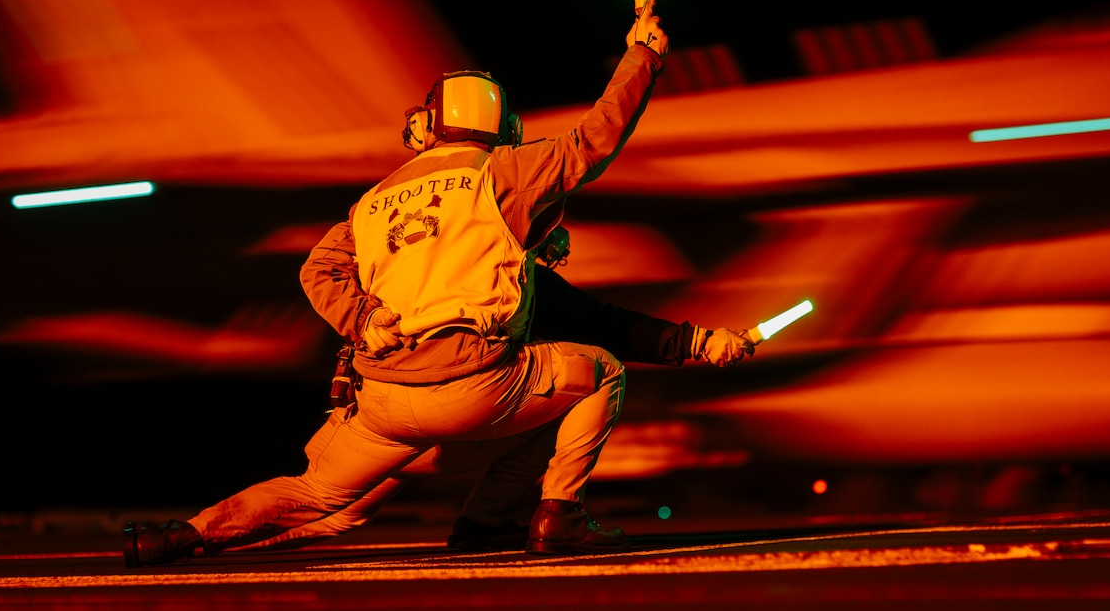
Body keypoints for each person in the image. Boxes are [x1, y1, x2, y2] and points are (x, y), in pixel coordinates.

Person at [122, 0, 670, 567]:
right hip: (473, 383)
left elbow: (318, 268)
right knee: (600, 371)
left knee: (316, 493)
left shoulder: (375, 199)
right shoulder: (506, 172)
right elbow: (595, 138)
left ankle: (177, 535)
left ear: (427, 125)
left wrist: (361, 319)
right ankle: (559, 516)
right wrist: (642, 56)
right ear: (503, 126)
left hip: (382, 397)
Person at [232, 237, 756, 553]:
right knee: (587, 380)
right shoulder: (510, 279)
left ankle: (182, 537)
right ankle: (534, 517)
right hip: (450, 421)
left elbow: (321, 271)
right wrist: (697, 343)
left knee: (330, 508)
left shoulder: (402, 267)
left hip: (386, 415)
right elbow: (605, 326)